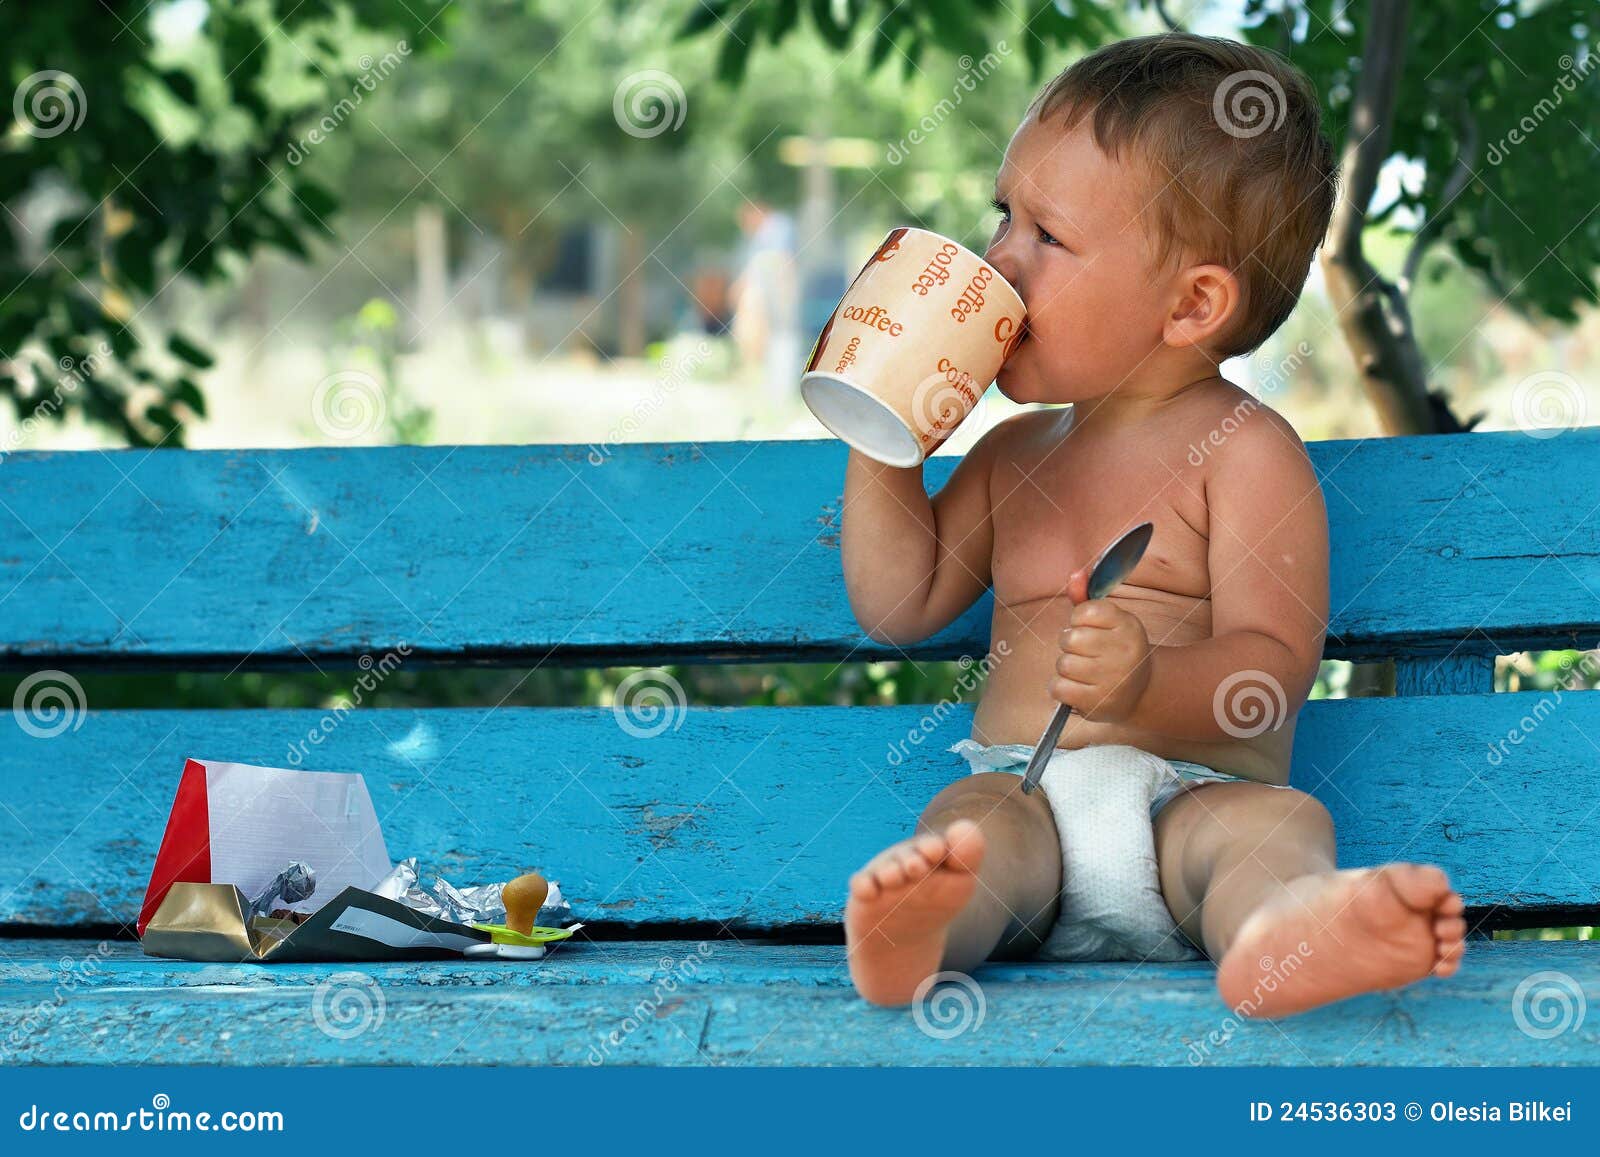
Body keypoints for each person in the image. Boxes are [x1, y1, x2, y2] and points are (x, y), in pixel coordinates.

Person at [840, 33, 1465, 1018]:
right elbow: (898, 601)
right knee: (968, 827)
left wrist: (1146, 680)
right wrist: (883, 427)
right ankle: (927, 930)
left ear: (1192, 304)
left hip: (1195, 798)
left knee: (1273, 827)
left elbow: (1272, 669)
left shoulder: (1245, 450)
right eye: (1003, 216)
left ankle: (1277, 932)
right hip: (1028, 790)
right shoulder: (1012, 456)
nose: (998, 258)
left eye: (1046, 235)